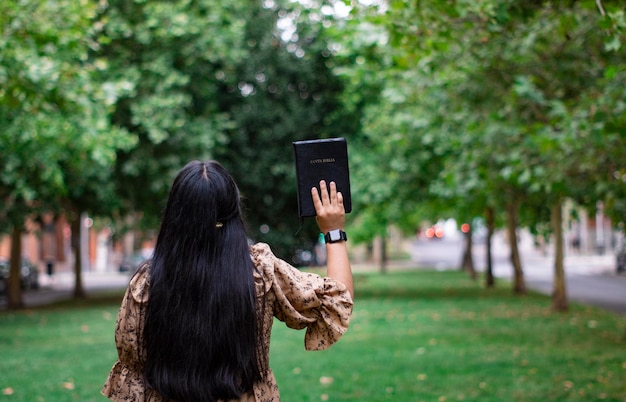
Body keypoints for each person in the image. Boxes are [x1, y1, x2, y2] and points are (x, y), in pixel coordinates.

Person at [102, 160, 353, 402]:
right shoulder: (260, 272)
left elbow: (133, 376)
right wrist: (333, 231)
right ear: (233, 211)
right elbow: (336, 301)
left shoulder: (146, 284)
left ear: (173, 214)